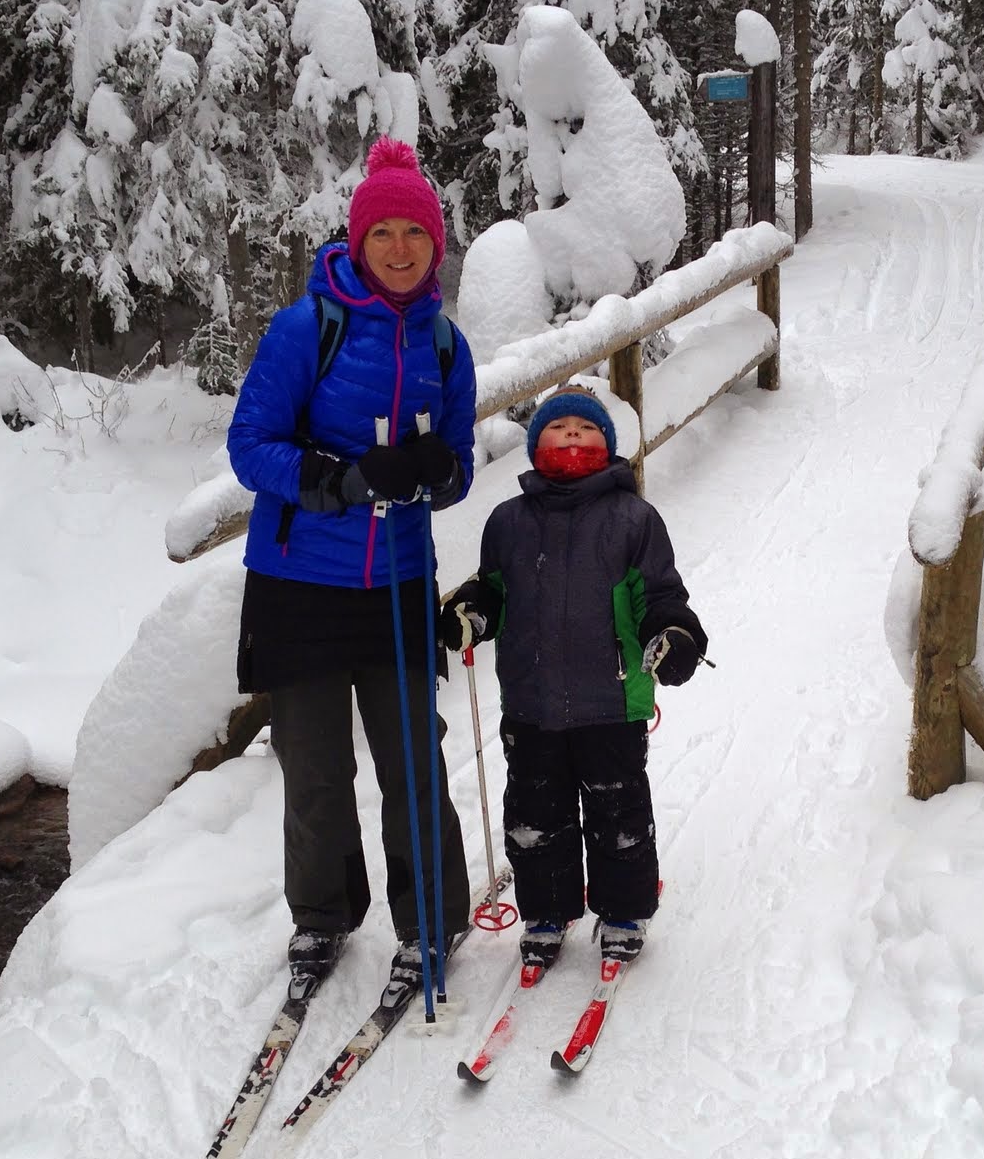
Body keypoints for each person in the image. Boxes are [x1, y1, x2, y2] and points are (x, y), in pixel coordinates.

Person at [226, 137, 475, 1001]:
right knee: (317, 765)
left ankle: (433, 923)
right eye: (384, 235)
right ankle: (322, 917)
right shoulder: (307, 327)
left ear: (434, 245)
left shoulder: (445, 344)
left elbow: (462, 466)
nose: (400, 250)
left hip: (398, 584)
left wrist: (439, 472)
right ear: (357, 241)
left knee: (414, 758)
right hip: (299, 585)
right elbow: (248, 445)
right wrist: (337, 480)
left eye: (415, 234)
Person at [437, 386, 707, 967]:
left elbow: (661, 594)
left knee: (618, 811)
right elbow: (494, 589)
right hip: (531, 701)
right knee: (537, 813)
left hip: (612, 699)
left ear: (607, 444)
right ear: (537, 446)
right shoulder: (507, 522)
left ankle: (624, 909)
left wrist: (676, 633)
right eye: (559, 430)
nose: (572, 437)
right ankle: (546, 911)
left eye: (585, 430)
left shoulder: (634, 519)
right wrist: (472, 611)